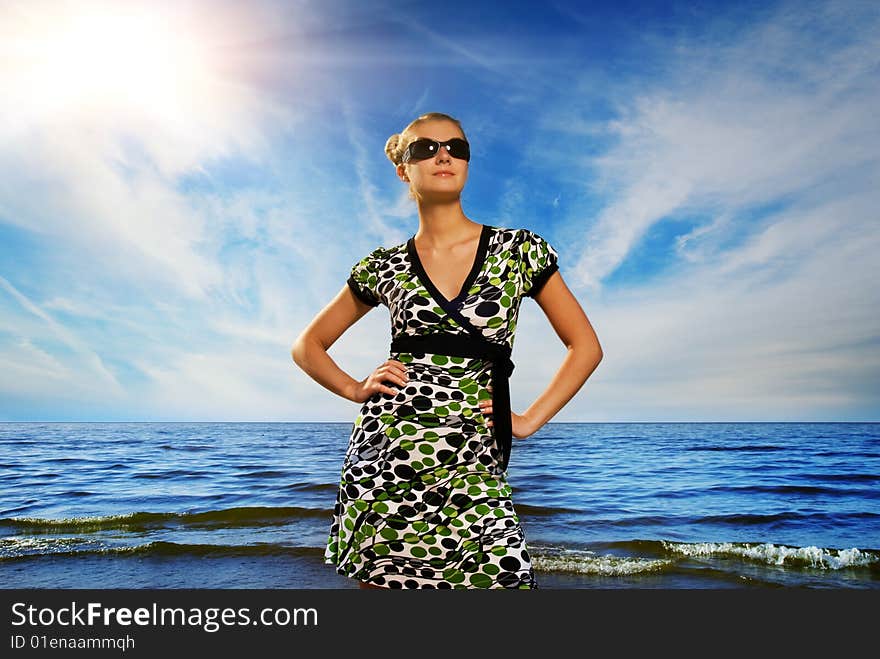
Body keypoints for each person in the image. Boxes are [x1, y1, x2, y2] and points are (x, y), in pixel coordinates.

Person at [292, 112, 602, 589]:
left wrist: (526, 419)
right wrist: (356, 388)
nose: (444, 155)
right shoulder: (385, 265)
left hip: (474, 452)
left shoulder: (520, 250)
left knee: (501, 579)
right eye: (426, 148)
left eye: (457, 148)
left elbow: (585, 346)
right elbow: (307, 346)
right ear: (403, 169)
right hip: (387, 454)